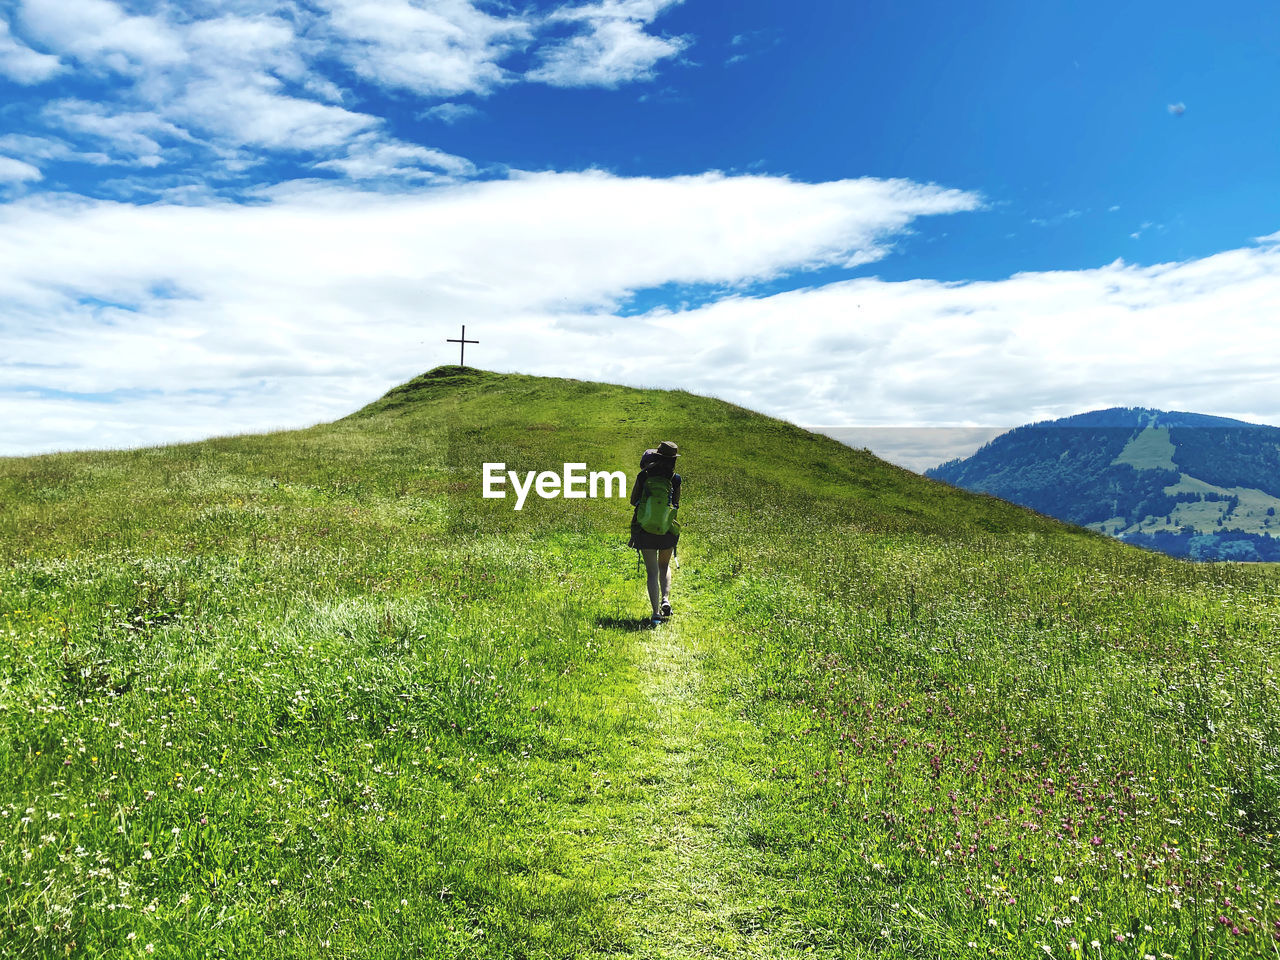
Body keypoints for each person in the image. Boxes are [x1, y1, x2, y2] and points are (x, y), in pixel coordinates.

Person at [628, 440, 681, 625]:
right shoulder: (675, 478)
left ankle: (655, 613)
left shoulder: (644, 475)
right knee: (664, 567)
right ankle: (666, 599)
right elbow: (676, 504)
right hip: (666, 528)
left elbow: (633, 500)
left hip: (644, 528)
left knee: (651, 571)